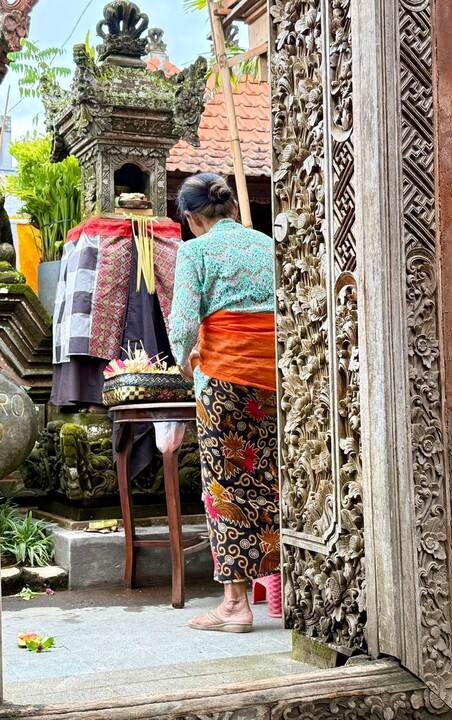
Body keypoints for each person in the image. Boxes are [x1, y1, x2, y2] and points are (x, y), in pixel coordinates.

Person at [168, 173, 279, 633]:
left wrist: (184, 364)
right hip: (274, 377)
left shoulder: (194, 251)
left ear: (193, 218)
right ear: (231, 208)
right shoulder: (267, 245)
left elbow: (182, 325)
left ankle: (235, 605)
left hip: (226, 379)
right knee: (274, 478)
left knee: (225, 486)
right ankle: (284, 588)